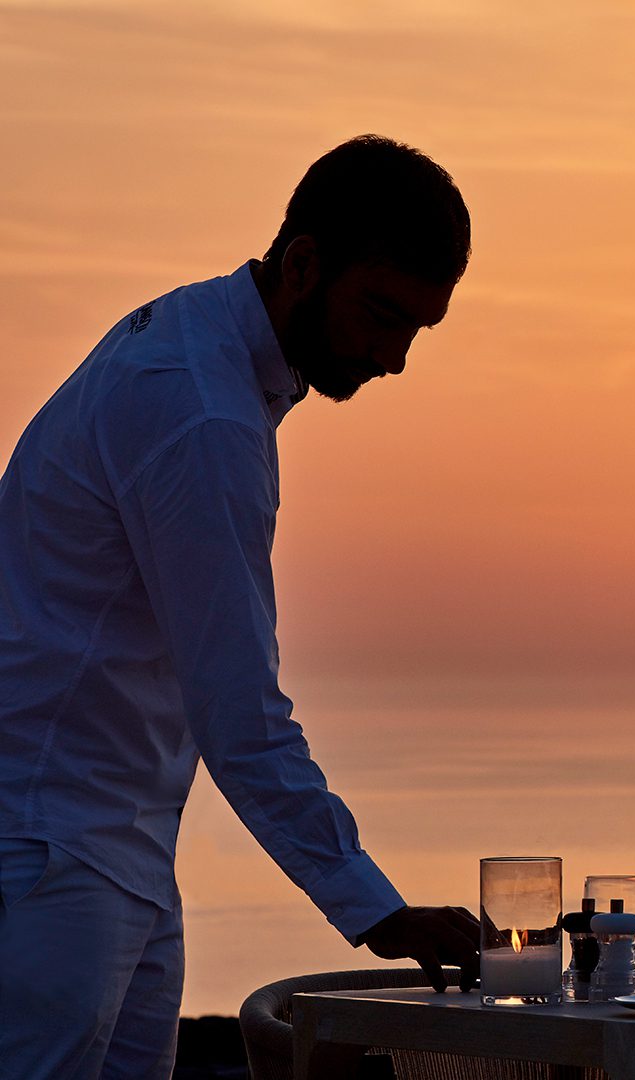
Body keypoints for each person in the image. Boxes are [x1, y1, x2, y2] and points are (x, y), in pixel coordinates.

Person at [0, 135, 482, 1080]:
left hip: (113, 843)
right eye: (381, 316)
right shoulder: (204, 415)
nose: (392, 358)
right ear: (303, 264)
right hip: (54, 852)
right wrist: (377, 910)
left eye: (417, 331)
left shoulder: (193, 340)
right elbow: (241, 715)